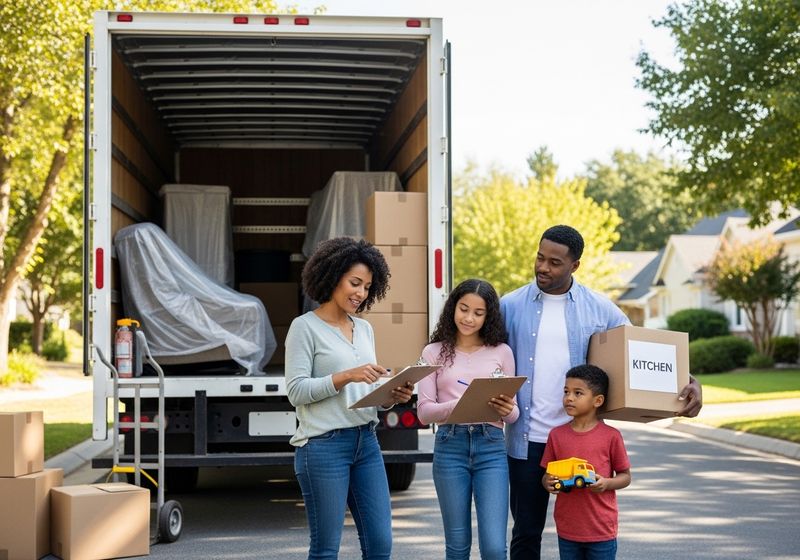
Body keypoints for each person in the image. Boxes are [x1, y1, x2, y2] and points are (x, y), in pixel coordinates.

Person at [501, 224, 703, 560]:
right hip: (527, 440)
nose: (542, 267)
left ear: (574, 266)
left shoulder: (599, 308)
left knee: (589, 532)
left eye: (554, 262)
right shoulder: (510, 305)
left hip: (580, 439)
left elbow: (638, 350)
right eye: (539, 258)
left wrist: (690, 380)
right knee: (525, 532)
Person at [285, 237, 414, 560]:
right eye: (355, 283)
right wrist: (346, 376)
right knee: (326, 549)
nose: (361, 293)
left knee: (380, 544)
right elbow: (296, 391)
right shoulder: (304, 328)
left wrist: (390, 397)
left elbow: (366, 391)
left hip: (366, 442)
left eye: (368, 287)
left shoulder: (365, 329)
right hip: (322, 446)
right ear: (333, 277)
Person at [417, 278, 520, 560]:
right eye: (463, 309)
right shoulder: (433, 352)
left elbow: (514, 414)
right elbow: (425, 412)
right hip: (450, 446)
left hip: (491, 447)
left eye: (478, 312)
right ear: (453, 307)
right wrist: (461, 405)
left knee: (494, 548)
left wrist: (504, 408)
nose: (469, 318)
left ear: (489, 316)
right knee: (458, 546)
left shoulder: (502, 352)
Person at [541, 364, 631, 560]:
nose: (569, 398)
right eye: (566, 391)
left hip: (601, 529)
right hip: (567, 529)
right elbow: (547, 474)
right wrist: (547, 482)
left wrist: (607, 483)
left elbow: (625, 476)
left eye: (578, 393)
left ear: (597, 400)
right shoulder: (556, 435)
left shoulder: (611, 436)